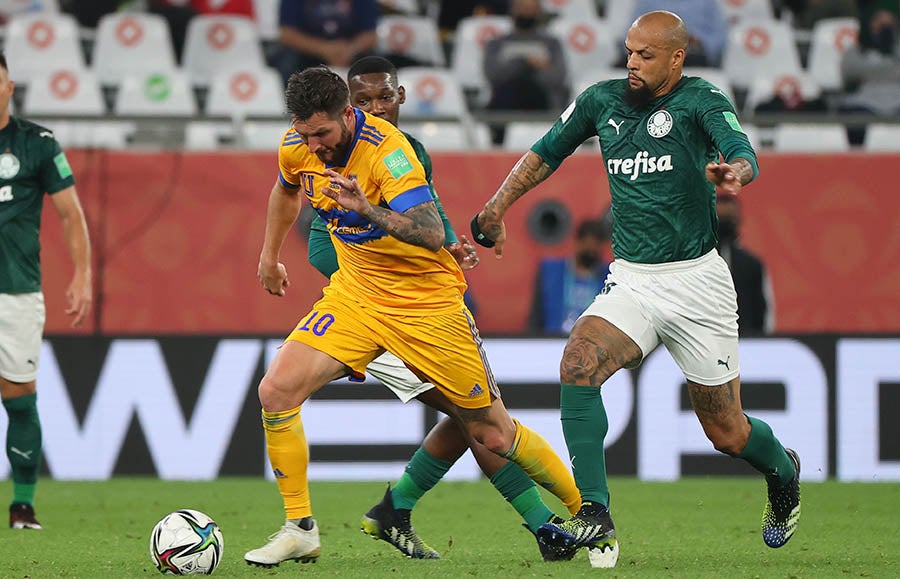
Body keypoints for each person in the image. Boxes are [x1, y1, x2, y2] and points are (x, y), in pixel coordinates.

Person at [470, 11, 801, 568]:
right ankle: (594, 509)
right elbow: (546, 151)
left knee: (727, 432)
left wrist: (737, 172)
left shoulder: (700, 99)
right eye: (628, 51)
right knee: (578, 362)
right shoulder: (602, 101)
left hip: (697, 283)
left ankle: (783, 470)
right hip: (634, 279)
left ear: (677, 58)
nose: (631, 62)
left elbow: (741, 148)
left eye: (645, 55)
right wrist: (497, 207)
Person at [243, 65, 581, 568]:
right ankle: (301, 529)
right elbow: (287, 189)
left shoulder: (391, 152)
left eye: (323, 134)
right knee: (276, 389)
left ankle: (586, 512)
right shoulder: (298, 143)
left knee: (488, 429)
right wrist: (270, 255)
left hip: (426, 306)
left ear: (347, 114)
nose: (313, 146)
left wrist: (365, 209)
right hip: (357, 297)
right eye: (305, 134)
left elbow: (426, 230)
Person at [0, 52, 92, 530]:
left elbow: (70, 214)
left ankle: (22, 505)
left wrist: (81, 275)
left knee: (19, 396)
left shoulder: (36, 143)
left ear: (9, 86)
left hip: (16, 291)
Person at [483, 0, 569, 145]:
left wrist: (539, 68)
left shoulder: (552, 43)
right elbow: (492, 75)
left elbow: (558, 77)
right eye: (522, 9)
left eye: (531, 9)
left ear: (539, 13)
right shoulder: (496, 43)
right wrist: (521, 63)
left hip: (542, 100)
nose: (526, 14)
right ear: (512, 12)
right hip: (506, 100)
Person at [528, 217, 611, 335]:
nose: (591, 251)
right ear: (577, 242)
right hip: (551, 342)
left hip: (591, 343)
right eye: (587, 246)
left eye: (596, 248)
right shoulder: (552, 271)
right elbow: (536, 314)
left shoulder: (608, 277)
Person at [271, 0, 379, 85]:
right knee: (287, 63)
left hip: (350, 51)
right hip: (308, 52)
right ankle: (294, 108)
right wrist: (323, 49)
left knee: (377, 63)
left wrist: (350, 50)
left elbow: (370, 35)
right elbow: (287, 34)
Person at [716, 192, 775, 335]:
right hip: (704, 341)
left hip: (746, 342)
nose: (726, 223)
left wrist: (762, 341)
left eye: (729, 218)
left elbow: (764, 309)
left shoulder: (752, 265)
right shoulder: (696, 263)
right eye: (721, 218)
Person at [629, 0, 728, 66]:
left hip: (695, 60)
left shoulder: (707, 3)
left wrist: (700, 41)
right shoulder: (648, 2)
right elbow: (629, 35)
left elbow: (720, 39)